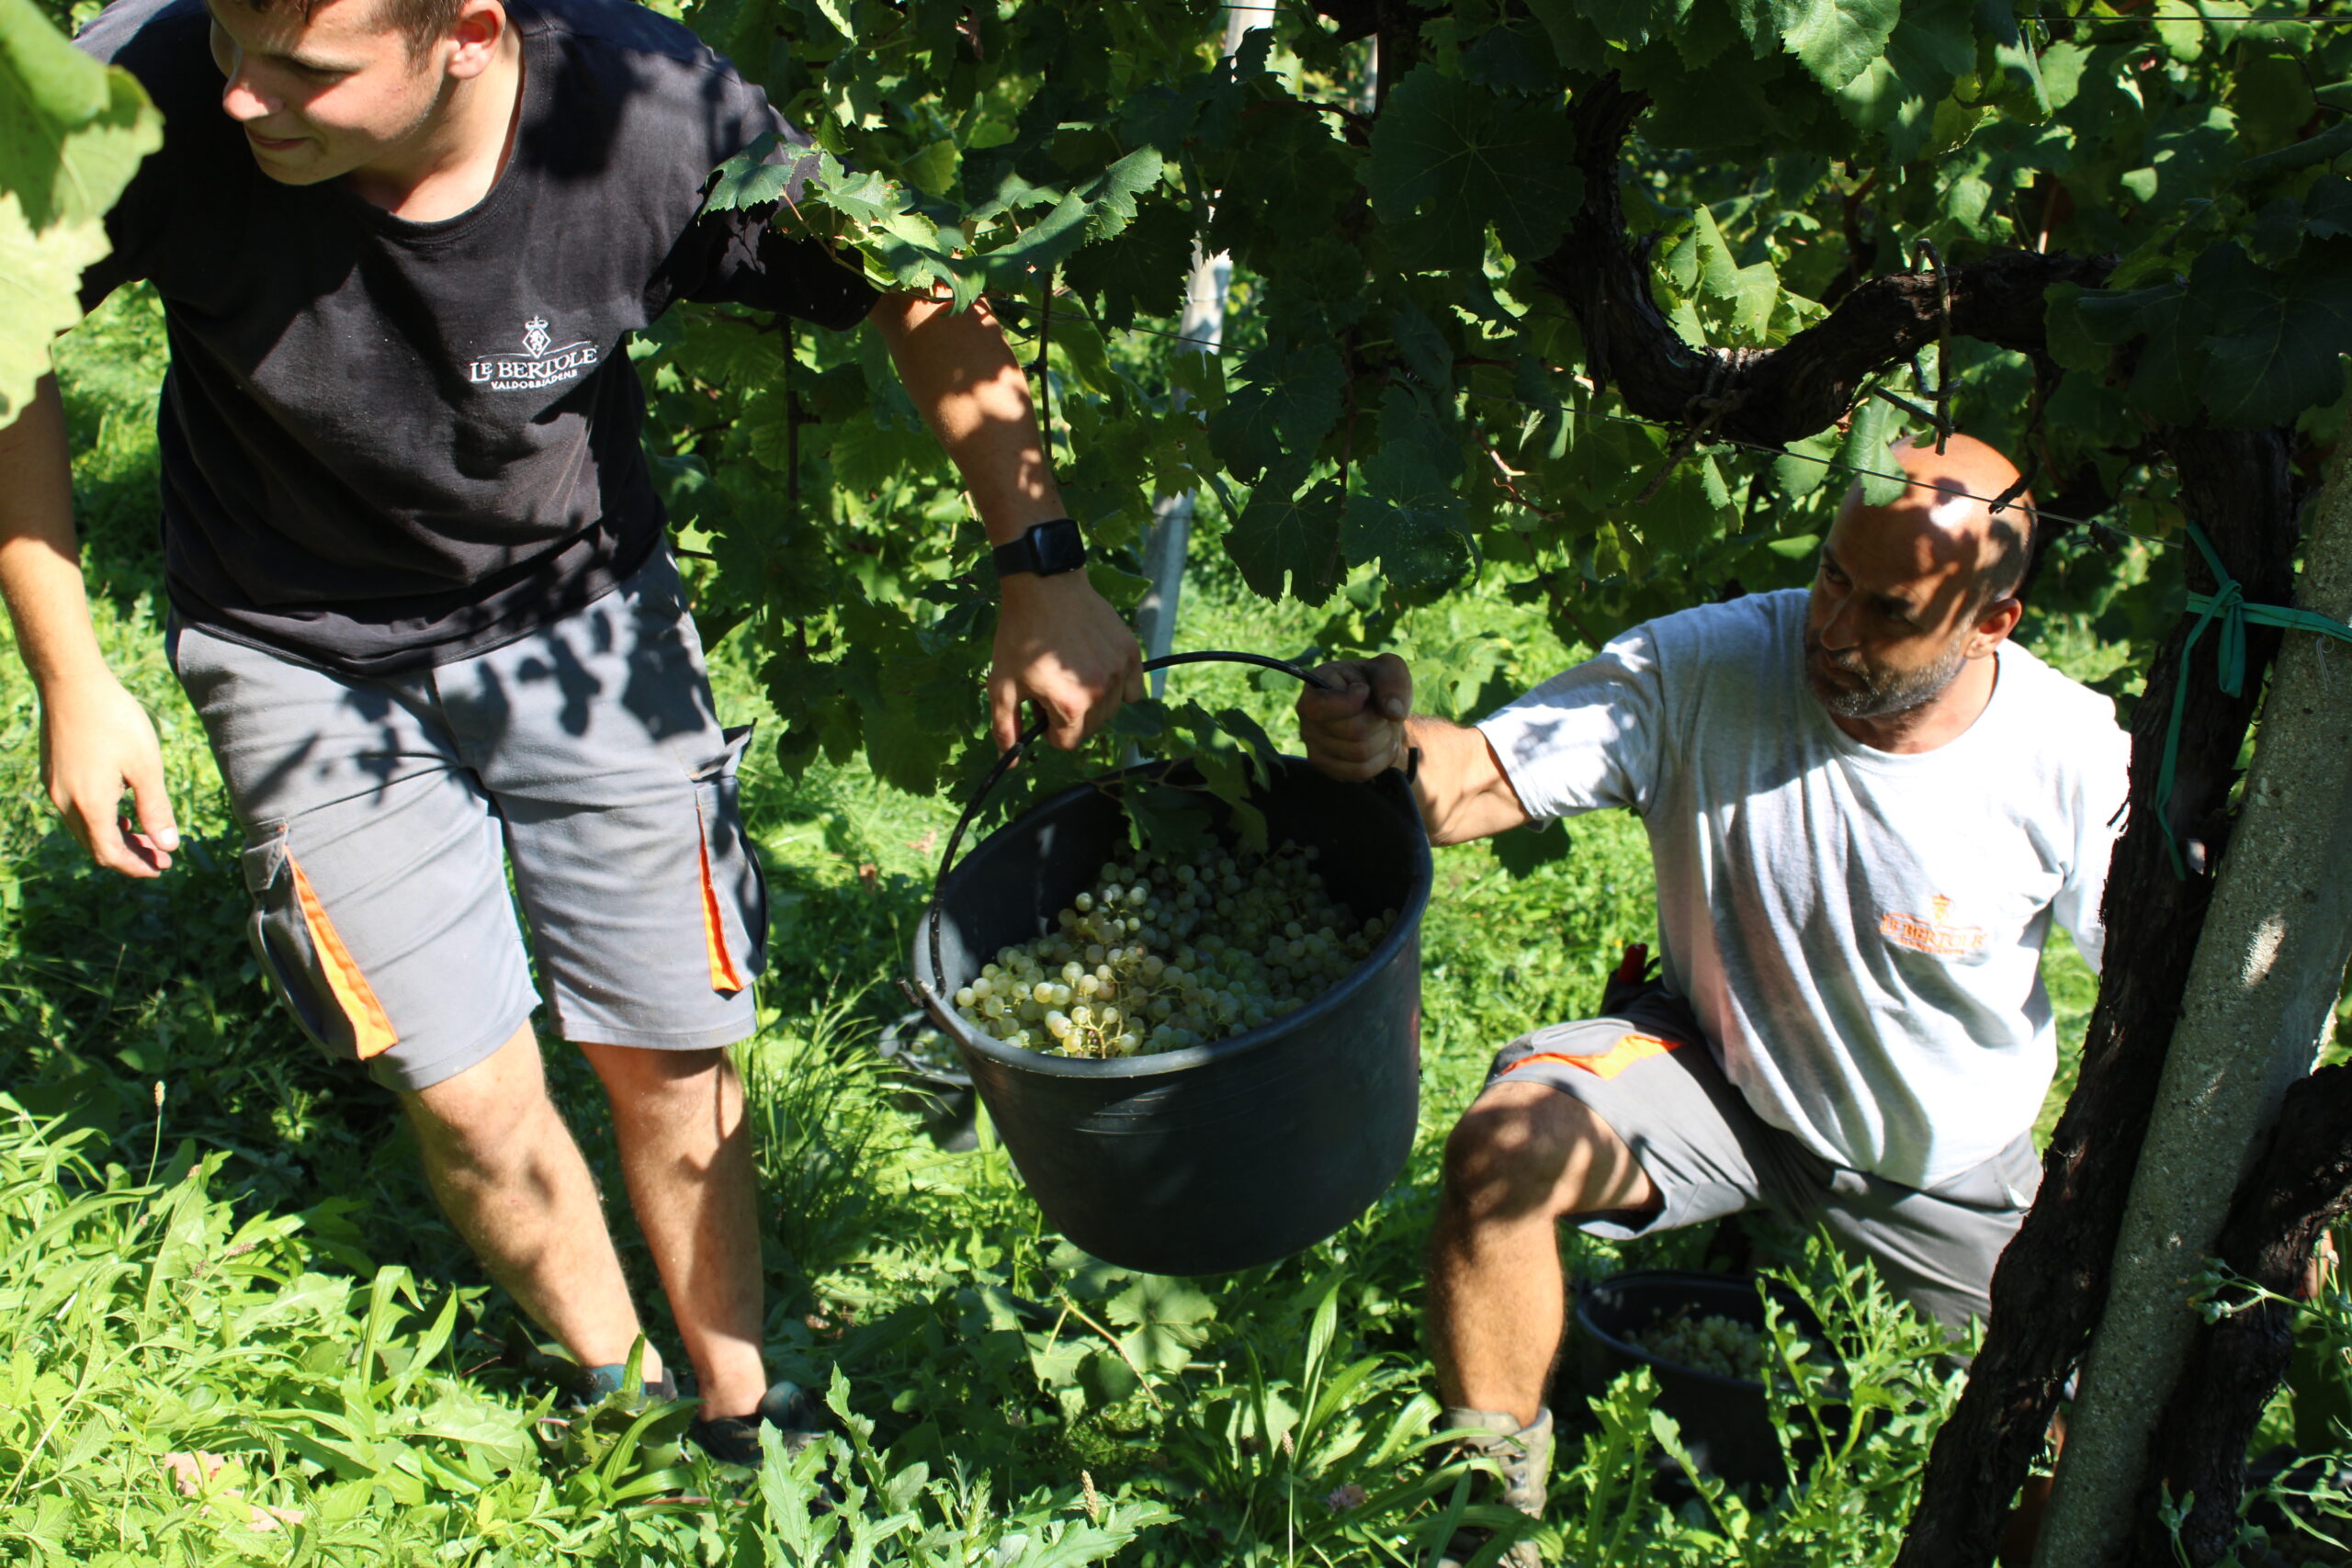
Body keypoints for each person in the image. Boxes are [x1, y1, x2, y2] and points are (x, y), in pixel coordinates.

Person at [0, 0, 1138, 1461]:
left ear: (470, 35)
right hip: (294, 647)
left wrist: (1042, 568)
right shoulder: (147, 84)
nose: (239, 96)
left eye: (303, 73)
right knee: (463, 1087)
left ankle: (739, 1400)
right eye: (230, 41)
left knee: (669, 1045)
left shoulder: (646, 113)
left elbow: (911, 281)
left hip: (586, 618)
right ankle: (623, 1392)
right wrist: (71, 671)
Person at [1296, 434, 2130, 1562]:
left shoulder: (2065, 756)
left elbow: (2161, 988)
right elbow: (1478, 780)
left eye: (1887, 610)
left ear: (1991, 623)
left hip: (1937, 1158)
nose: (1832, 629)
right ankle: (1484, 1525)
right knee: (1504, 1153)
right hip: (1719, 1075)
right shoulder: (1707, 664)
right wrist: (1383, 747)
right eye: (1831, 576)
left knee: (2066, 1444)